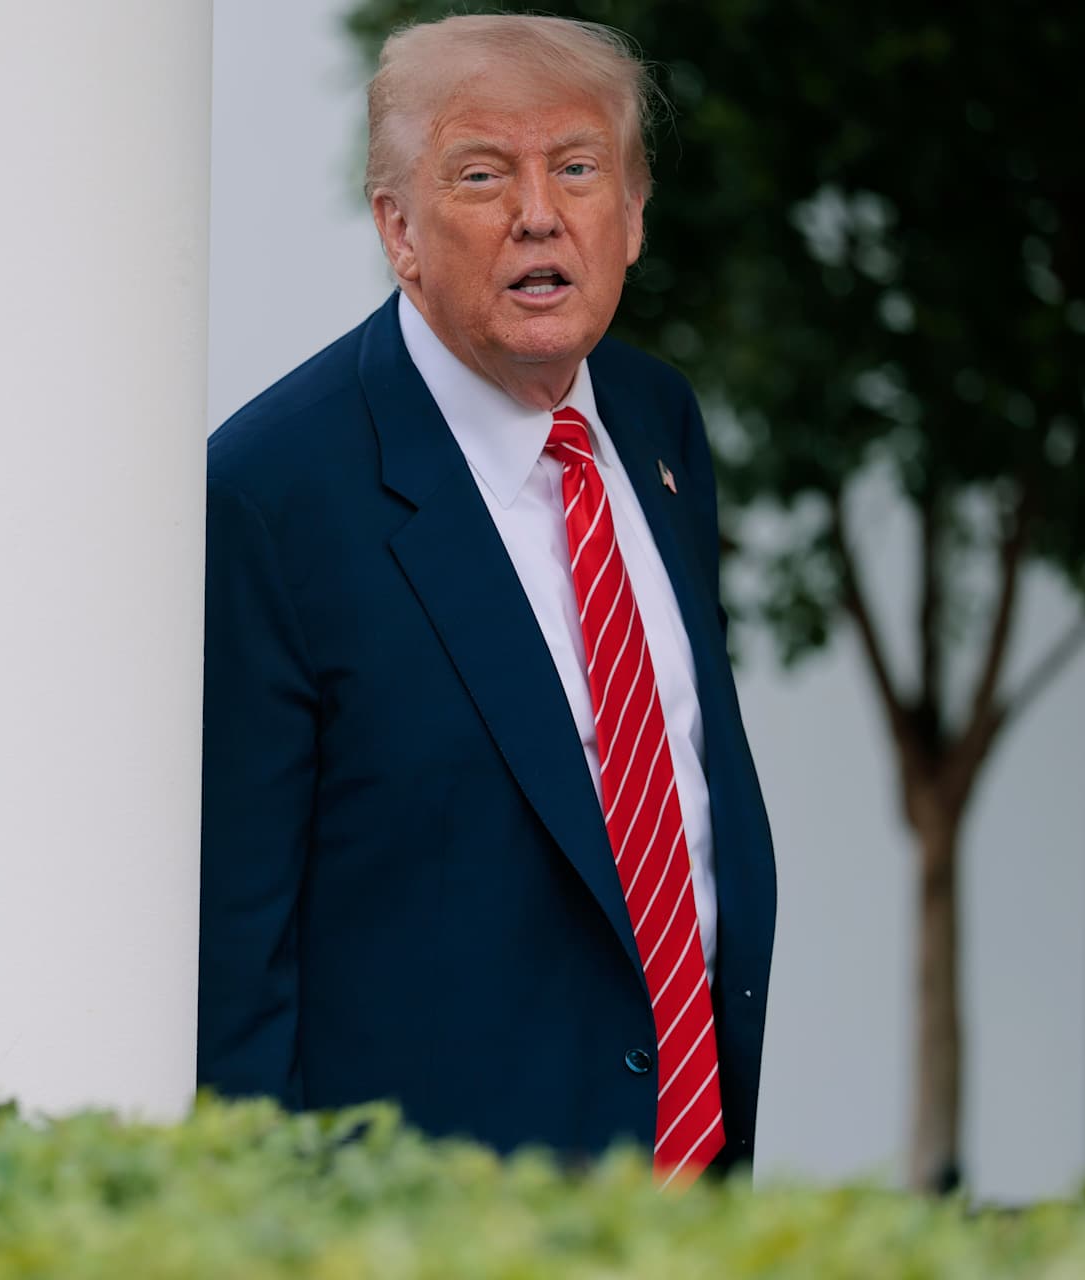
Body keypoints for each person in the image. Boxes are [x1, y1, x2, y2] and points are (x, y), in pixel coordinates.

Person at [199, 13, 776, 1183]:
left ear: (636, 213)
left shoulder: (658, 421)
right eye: (481, 174)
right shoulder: (270, 494)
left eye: (577, 167)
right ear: (396, 228)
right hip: (434, 1213)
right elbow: (235, 956)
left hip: (686, 1182)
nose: (538, 213)